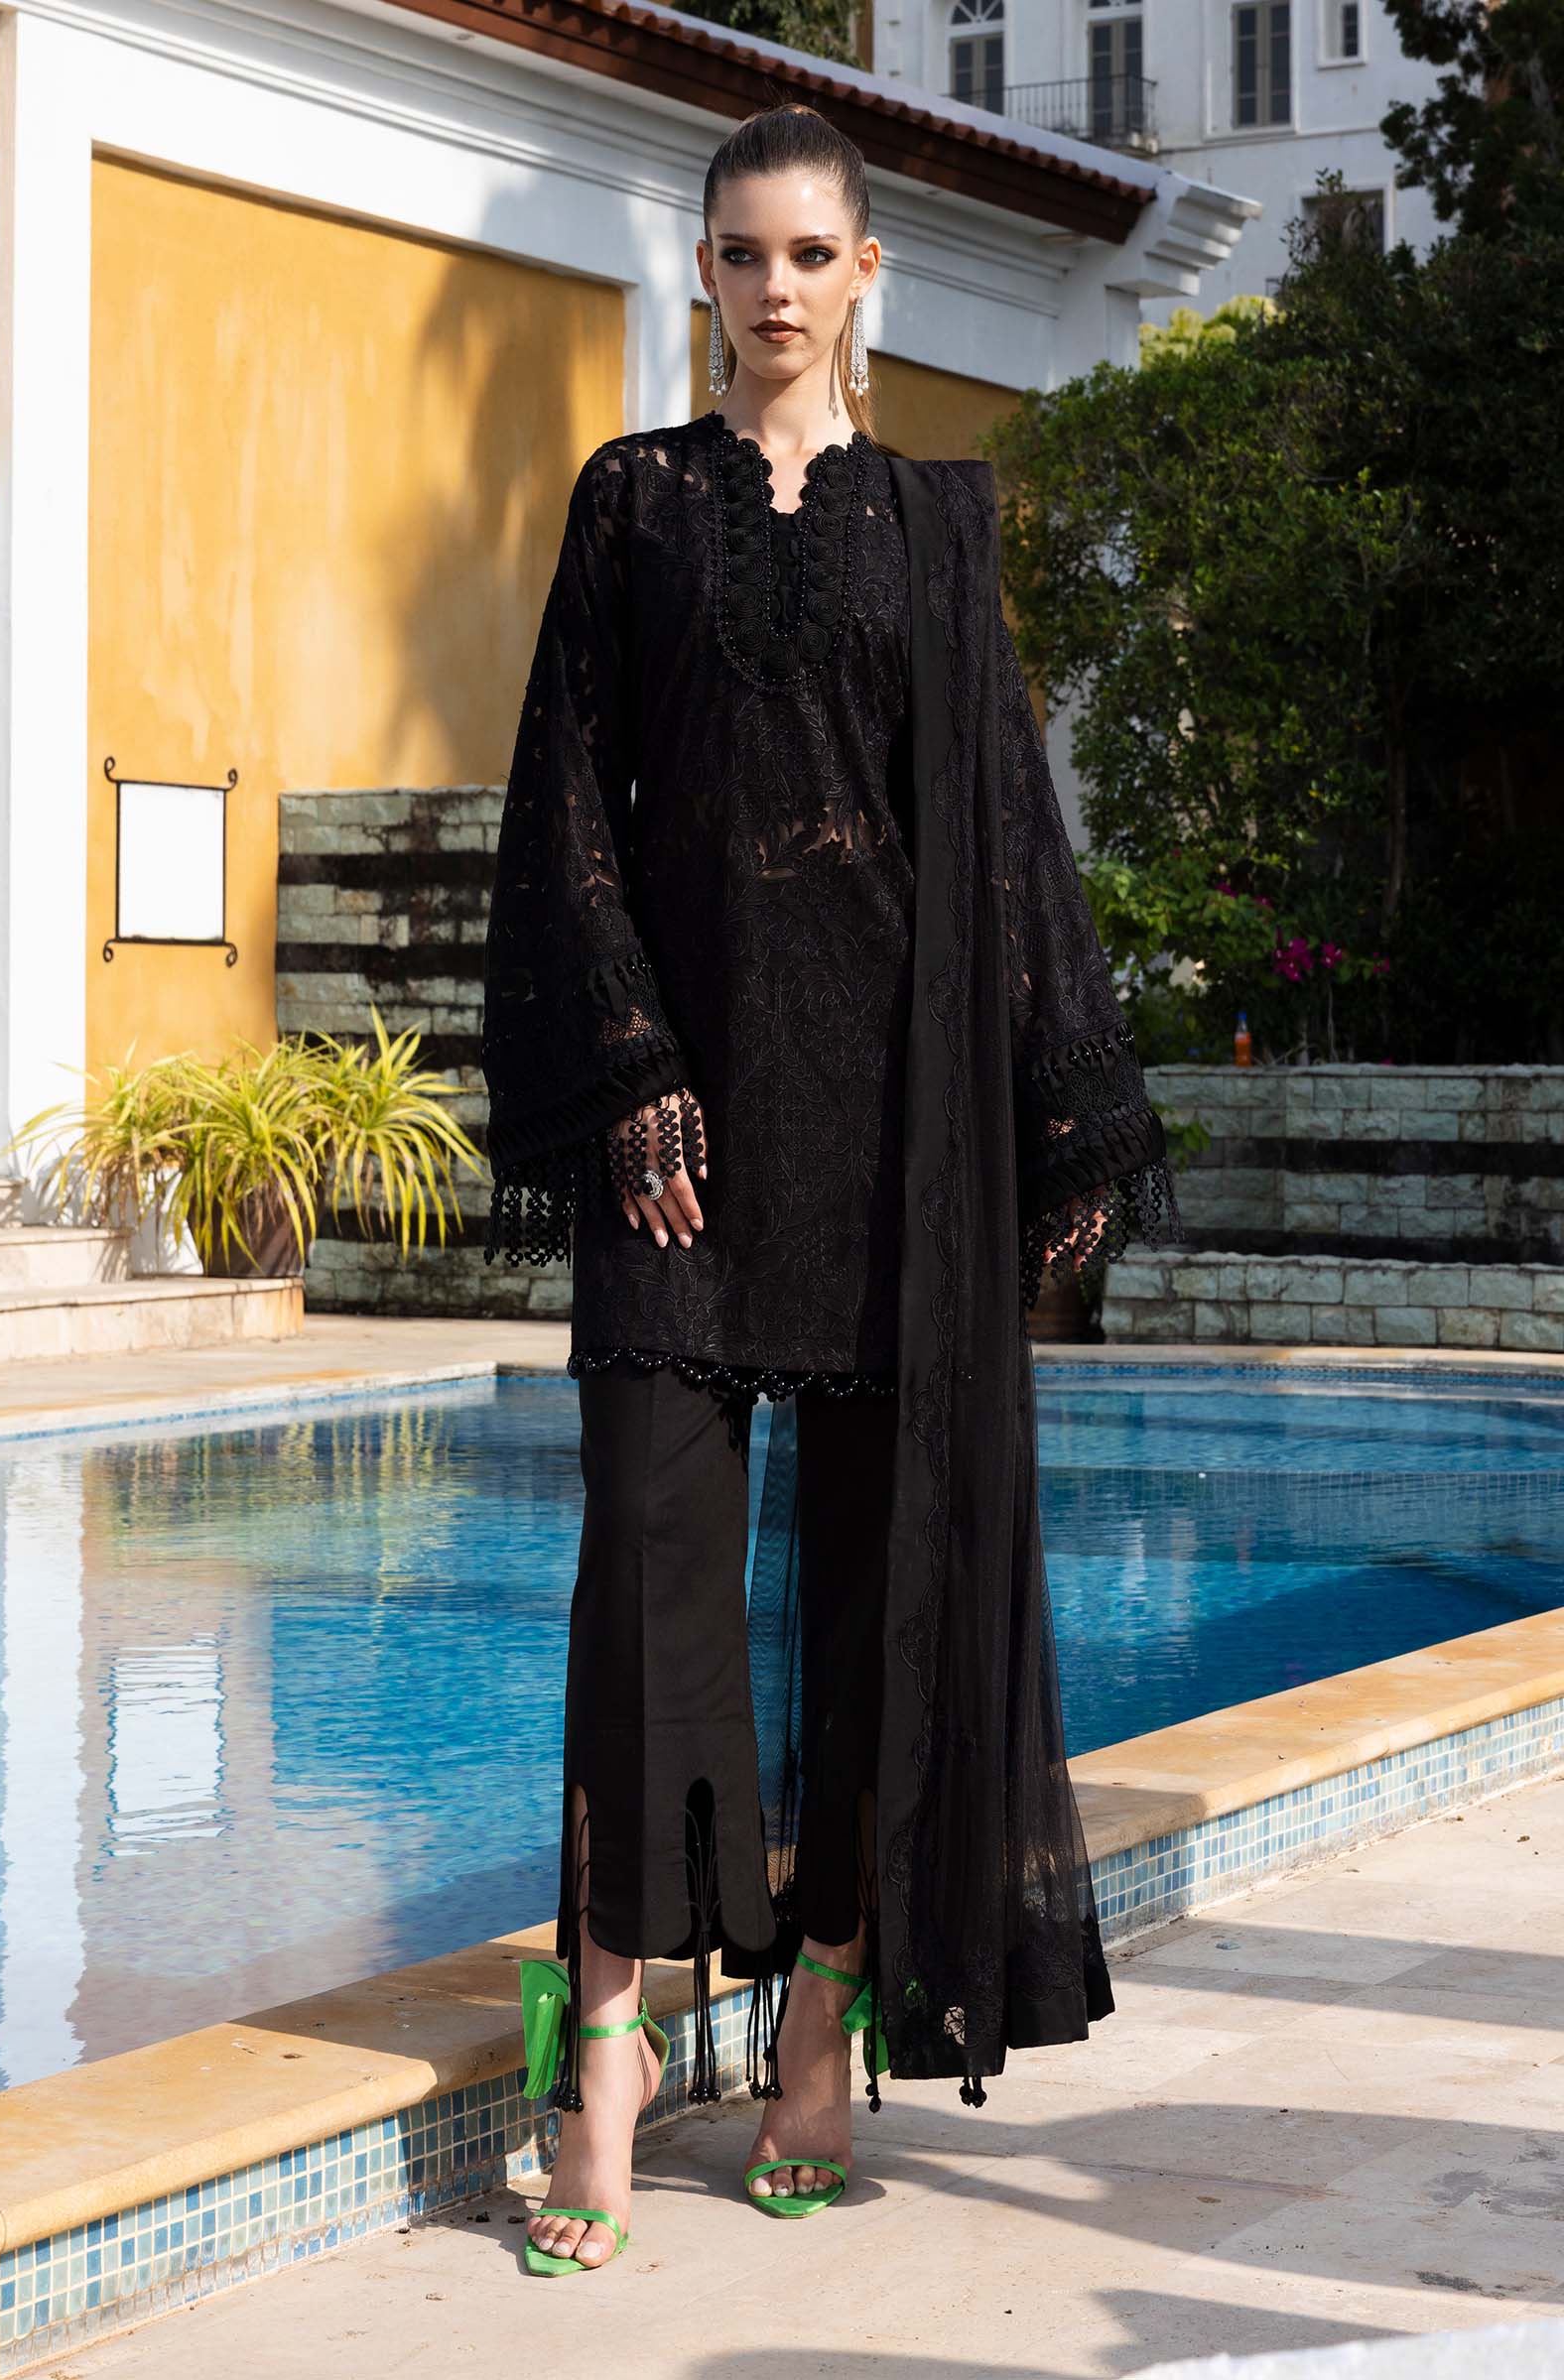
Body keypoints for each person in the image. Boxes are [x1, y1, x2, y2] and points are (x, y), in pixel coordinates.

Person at [478, 101, 1183, 2276]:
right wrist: (629, 1068)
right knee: (649, 1584)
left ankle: (815, 2017)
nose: (771, 287)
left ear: (865, 271)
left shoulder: (936, 524)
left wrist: (1063, 1113)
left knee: (886, 1597)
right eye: (738, 252)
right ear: (699, 270)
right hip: (681, 1152)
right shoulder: (631, 501)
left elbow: (1002, 830)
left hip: (892, 1141)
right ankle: (608, 2044)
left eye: (807, 253)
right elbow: (565, 798)